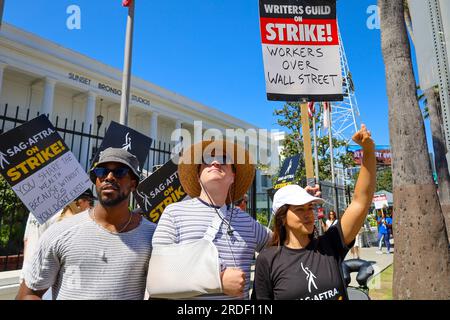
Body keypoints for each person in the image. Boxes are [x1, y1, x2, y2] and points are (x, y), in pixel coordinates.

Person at [149, 139, 320, 300]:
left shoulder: (248, 223)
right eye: (208, 159)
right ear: (198, 173)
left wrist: (298, 204)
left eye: (224, 159)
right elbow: (157, 276)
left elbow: (284, 242)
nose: (215, 162)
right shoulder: (174, 213)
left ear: (233, 176)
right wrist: (218, 281)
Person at [253, 124, 376, 300]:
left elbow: (360, 201)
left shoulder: (329, 245)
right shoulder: (268, 260)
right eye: (299, 209)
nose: (308, 214)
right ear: (282, 218)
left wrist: (368, 150)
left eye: (310, 207)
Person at [17, 147, 156, 300]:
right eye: (102, 172)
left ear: (133, 184)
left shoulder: (152, 236)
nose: (109, 177)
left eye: (120, 172)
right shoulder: (60, 232)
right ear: (96, 180)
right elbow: (28, 293)